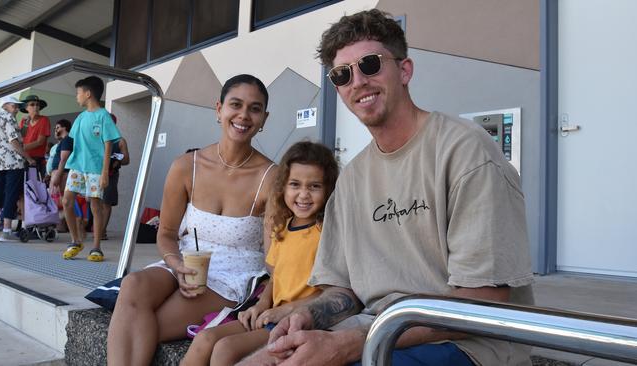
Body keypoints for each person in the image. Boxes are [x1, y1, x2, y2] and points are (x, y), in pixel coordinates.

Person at [241, 9, 534, 366]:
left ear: (404, 70)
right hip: (374, 330)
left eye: (369, 64)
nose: (357, 81)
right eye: (342, 74)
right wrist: (307, 314)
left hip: (466, 345)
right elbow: (342, 290)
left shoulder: (464, 151)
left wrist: (354, 342)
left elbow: (481, 300)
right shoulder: (351, 180)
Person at [107, 74, 277, 365]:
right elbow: (168, 232)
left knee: (148, 325)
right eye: (235, 104)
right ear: (218, 109)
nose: (243, 115)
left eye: (255, 108)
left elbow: (276, 254)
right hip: (185, 262)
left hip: (232, 276)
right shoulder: (187, 166)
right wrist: (175, 264)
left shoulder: (271, 176)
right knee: (133, 283)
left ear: (264, 118)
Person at [180, 141, 339, 366]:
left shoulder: (326, 233)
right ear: (283, 187)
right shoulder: (283, 228)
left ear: (328, 189)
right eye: (295, 184)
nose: (303, 194)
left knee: (225, 350)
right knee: (205, 339)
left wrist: (282, 311)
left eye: (314, 186)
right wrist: (262, 304)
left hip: (301, 321)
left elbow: (332, 293)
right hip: (272, 314)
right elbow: (277, 277)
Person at [61, 76, 121, 262]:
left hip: (96, 169)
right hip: (77, 166)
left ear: (88, 94)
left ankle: (96, 247)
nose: (76, 97)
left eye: (78, 93)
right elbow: (72, 143)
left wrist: (105, 173)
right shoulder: (80, 117)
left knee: (95, 206)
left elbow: (108, 145)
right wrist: (60, 170)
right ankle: (75, 240)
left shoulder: (103, 116)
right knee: (66, 202)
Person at [0, 96, 36, 242]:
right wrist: (28, 158)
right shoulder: (9, 117)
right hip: (12, 161)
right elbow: (13, 141)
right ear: (6, 105)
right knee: (11, 194)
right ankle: (6, 231)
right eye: (14, 106)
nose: (16, 109)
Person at [101, 113, 129, 240]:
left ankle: (102, 231)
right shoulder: (97, 139)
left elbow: (127, 160)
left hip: (111, 175)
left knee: (106, 202)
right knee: (93, 201)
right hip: (96, 173)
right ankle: (96, 229)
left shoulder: (120, 141)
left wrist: (118, 161)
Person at [19, 95, 51, 177]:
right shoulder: (24, 121)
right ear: (26, 108)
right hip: (24, 159)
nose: (36, 107)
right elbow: (21, 138)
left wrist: (21, 148)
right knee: (24, 188)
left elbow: (40, 142)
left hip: (37, 160)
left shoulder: (44, 120)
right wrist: (26, 123)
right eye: (32, 104)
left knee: (35, 188)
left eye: (37, 105)